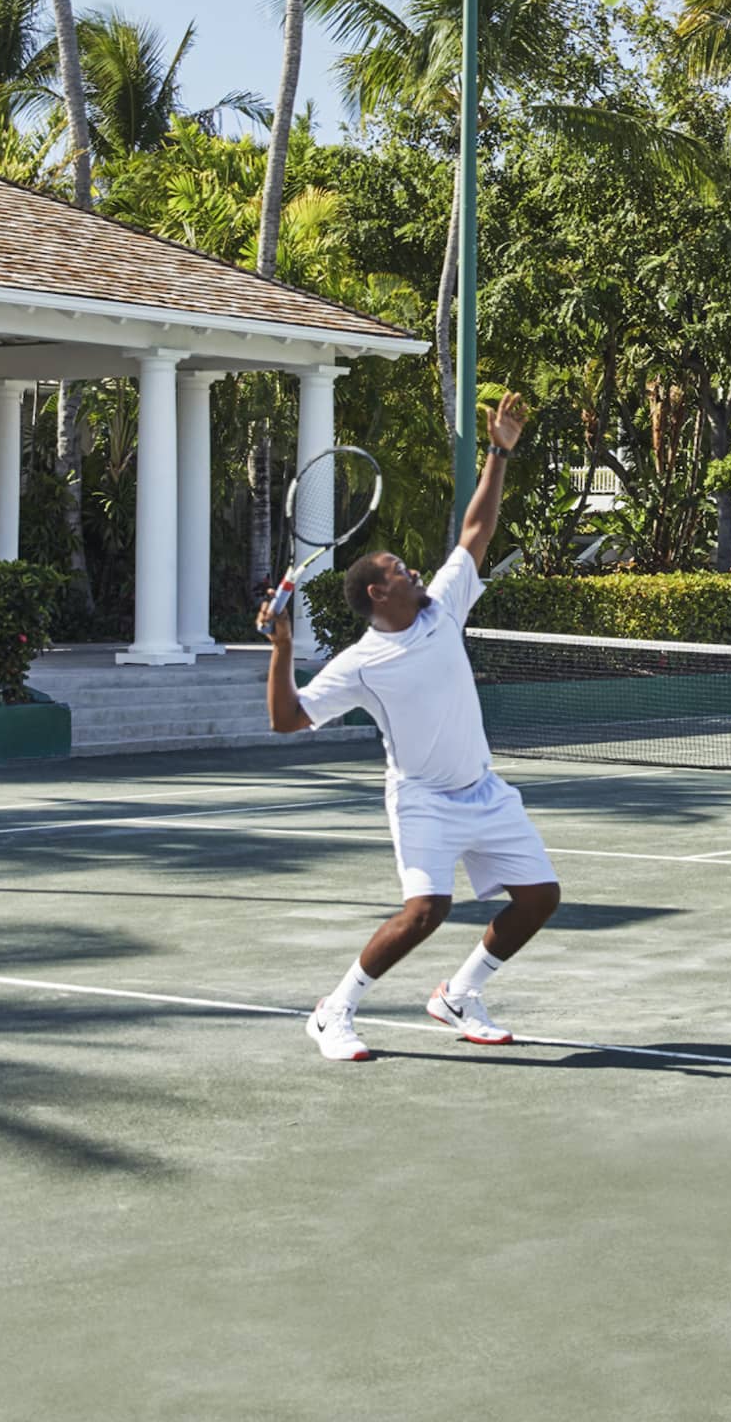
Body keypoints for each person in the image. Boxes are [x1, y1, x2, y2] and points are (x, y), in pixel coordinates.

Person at [258, 393, 561, 1062]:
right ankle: (335, 1011)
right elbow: (286, 720)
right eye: (399, 569)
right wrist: (281, 650)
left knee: (540, 897)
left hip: (482, 789)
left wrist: (500, 450)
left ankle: (457, 994)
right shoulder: (362, 663)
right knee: (427, 910)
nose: (413, 569)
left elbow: (475, 532)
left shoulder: (442, 606)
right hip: (422, 798)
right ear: (377, 593)